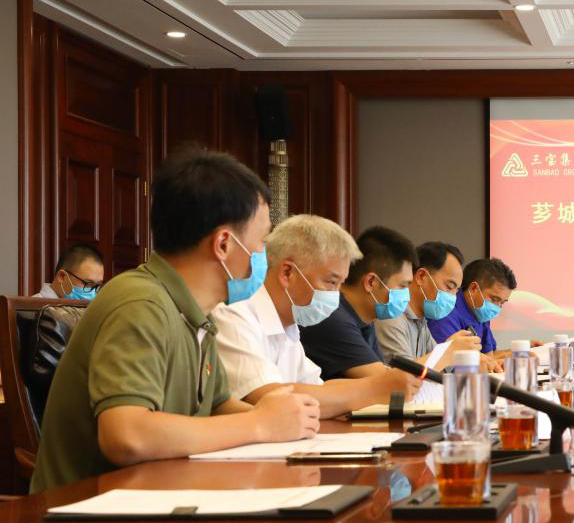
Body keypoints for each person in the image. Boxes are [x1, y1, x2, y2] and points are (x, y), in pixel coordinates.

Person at [30, 151, 319, 493]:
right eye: (261, 243)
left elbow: (217, 406)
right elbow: (127, 436)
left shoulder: (199, 314)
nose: (263, 258)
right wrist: (259, 424)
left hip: (157, 498)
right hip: (87, 515)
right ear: (224, 244)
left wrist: (281, 418)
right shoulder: (141, 304)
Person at [212, 214, 423, 419]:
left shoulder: (289, 327)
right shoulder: (235, 316)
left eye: (340, 284)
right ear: (287, 272)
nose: (336, 295)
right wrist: (374, 387)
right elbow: (271, 397)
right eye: (331, 282)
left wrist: (376, 387)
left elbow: (317, 389)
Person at [299, 226, 416, 381]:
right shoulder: (332, 317)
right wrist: (446, 354)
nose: (407, 295)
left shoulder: (366, 318)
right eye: (402, 286)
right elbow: (388, 382)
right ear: (371, 282)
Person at [375, 240, 481, 368]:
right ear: (421, 276)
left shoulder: (421, 321)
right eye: (449, 287)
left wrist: (455, 352)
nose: (452, 297)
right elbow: (403, 375)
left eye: (456, 290)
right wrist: (448, 351)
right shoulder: (391, 317)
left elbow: (437, 369)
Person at [427, 257, 517, 358]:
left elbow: (489, 356)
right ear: (474, 288)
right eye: (494, 299)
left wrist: (520, 351)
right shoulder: (445, 312)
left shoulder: (480, 312)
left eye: (502, 303)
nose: (497, 307)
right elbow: (450, 361)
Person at [38, 243, 105, 300]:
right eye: (87, 283)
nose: (92, 292)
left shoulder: (88, 308)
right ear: (62, 276)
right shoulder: (34, 308)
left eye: (97, 286)